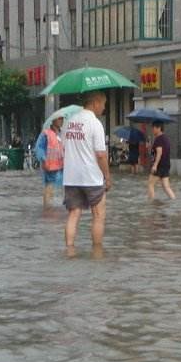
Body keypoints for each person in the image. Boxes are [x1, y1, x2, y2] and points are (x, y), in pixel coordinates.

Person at [62, 90, 111, 250]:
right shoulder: (95, 123)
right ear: (95, 102)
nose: (104, 108)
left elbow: (63, 147)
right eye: (103, 104)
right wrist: (107, 177)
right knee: (98, 215)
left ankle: (69, 249)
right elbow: (101, 155)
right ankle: (97, 252)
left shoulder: (69, 122)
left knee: (73, 214)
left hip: (71, 177)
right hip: (91, 177)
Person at [39, 113, 66, 208]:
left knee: (65, 185)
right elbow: (40, 148)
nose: (62, 121)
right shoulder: (46, 133)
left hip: (61, 164)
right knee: (49, 186)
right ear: (54, 121)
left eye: (62, 119)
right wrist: (43, 160)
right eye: (59, 119)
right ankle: (47, 207)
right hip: (50, 164)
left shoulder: (62, 133)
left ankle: (64, 204)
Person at [147, 120, 176, 201]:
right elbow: (156, 152)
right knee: (166, 187)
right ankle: (174, 201)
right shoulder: (165, 138)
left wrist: (155, 165)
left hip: (159, 165)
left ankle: (151, 203)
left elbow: (159, 153)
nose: (152, 130)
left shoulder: (159, 139)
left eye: (153, 128)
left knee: (150, 184)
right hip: (166, 165)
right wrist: (150, 147)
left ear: (159, 128)